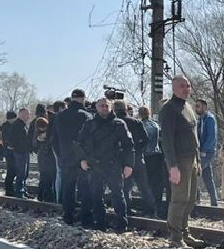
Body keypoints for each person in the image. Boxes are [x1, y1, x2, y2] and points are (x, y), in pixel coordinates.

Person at [160, 76, 207, 248]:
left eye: (188, 86)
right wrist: (172, 166)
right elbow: (166, 140)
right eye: (182, 86)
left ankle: (185, 232)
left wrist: (198, 161)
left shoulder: (188, 107)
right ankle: (175, 237)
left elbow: (194, 137)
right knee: (179, 199)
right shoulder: (169, 109)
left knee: (190, 199)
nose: (186, 89)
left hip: (192, 160)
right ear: (173, 88)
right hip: (179, 160)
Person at [75, 98, 133, 231]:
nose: (104, 108)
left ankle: (122, 224)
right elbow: (79, 143)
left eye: (106, 106)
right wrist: (82, 160)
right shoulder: (89, 124)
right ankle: (100, 223)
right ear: (96, 107)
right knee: (96, 195)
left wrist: (129, 164)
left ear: (111, 107)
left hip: (113, 164)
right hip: (94, 165)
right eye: (101, 106)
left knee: (117, 194)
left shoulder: (119, 124)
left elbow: (129, 146)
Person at [51, 89, 93, 225]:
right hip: (83, 158)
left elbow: (54, 139)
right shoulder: (86, 116)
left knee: (68, 187)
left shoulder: (59, 116)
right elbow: (90, 139)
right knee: (85, 187)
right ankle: (85, 217)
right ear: (83, 99)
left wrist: (60, 154)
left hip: (66, 156)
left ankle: (68, 215)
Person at [115, 99, 156, 216]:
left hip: (121, 159)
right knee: (143, 185)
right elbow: (146, 139)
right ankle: (151, 209)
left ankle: (127, 210)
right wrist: (139, 150)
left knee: (125, 186)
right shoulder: (136, 122)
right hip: (137, 158)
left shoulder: (114, 123)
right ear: (125, 108)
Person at [138, 105, 168, 216]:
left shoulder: (141, 125)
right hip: (157, 156)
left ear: (140, 114)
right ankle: (158, 205)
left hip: (147, 156)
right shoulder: (155, 124)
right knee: (157, 183)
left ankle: (149, 207)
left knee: (147, 183)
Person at [193, 99, 219, 207]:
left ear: (204, 107)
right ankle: (214, 201)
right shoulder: (200, 120)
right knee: (208, 176)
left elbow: (211, 137)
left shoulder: (209, 119)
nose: (196, 108)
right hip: (201, 151)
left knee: (195, 173)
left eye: (198, 106)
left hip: (207, 152)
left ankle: (195, 199)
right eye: (195, 106)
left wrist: (204, 150)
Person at [0, 109, 31, 197]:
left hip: (19, 151)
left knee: (22, 173)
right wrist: (12, 146)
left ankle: (22, 190)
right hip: (13, 152)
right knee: (14, 172)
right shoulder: (10, 126)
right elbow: (8, 140)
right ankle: (13, 191)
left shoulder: (22, 125)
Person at [32, 103, 57, 203]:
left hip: (44, 153)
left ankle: (42, 195)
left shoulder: (37, 122)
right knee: (48, 176)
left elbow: (33, 141)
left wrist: (39, 142)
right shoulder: (52, 121)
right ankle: (47, 197)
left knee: (45, 176)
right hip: (47, 153)